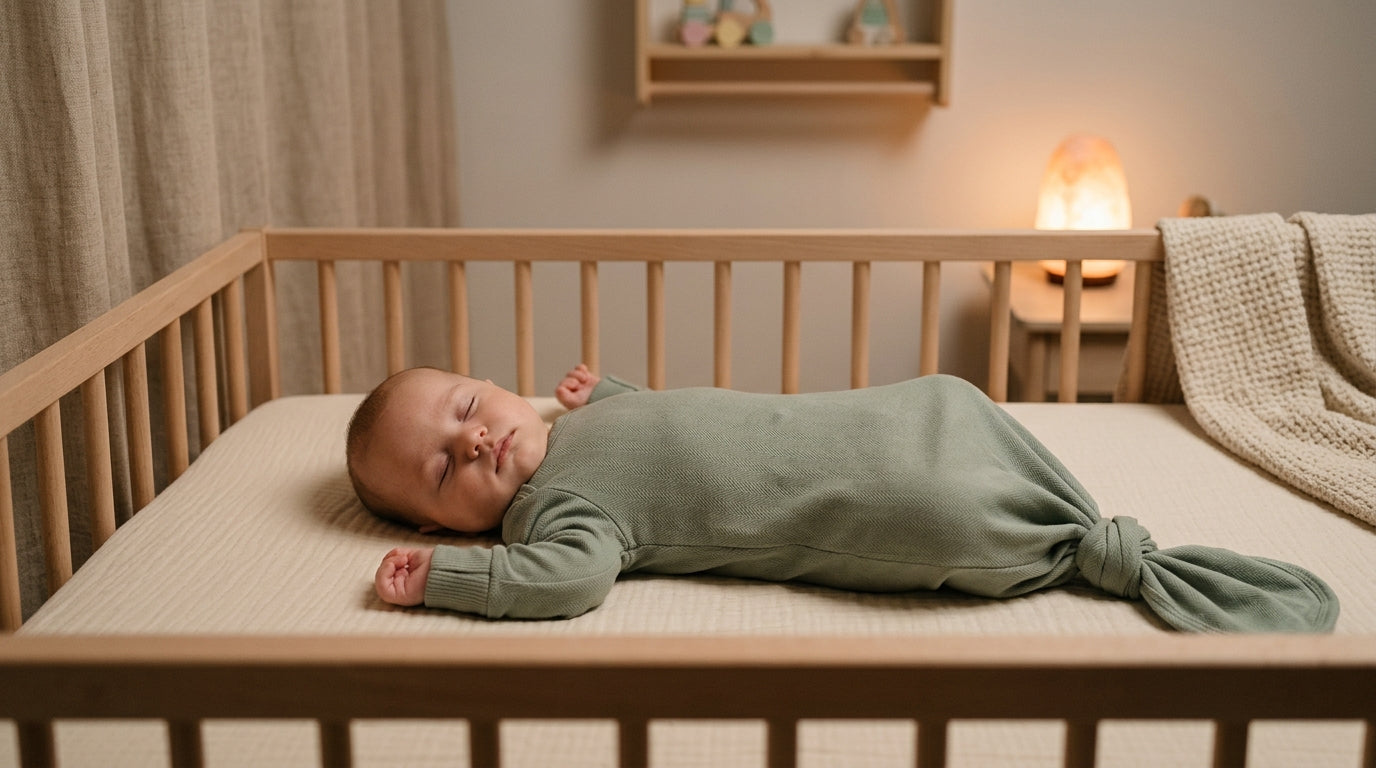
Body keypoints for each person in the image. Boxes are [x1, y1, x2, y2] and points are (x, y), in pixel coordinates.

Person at [347, 365, 1337, 632]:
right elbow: (568, 582)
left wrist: (603, 397)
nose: (474, 436)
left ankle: (1046, 503)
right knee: (925, 494)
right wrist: (454, 582)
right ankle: (1084, 550)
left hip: (895, 419)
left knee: (944, 402)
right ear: (442, 522)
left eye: (468, 404)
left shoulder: (561, 432)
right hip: (896, 496)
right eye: (443, 466)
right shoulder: (547, 522)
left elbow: (667, 429)